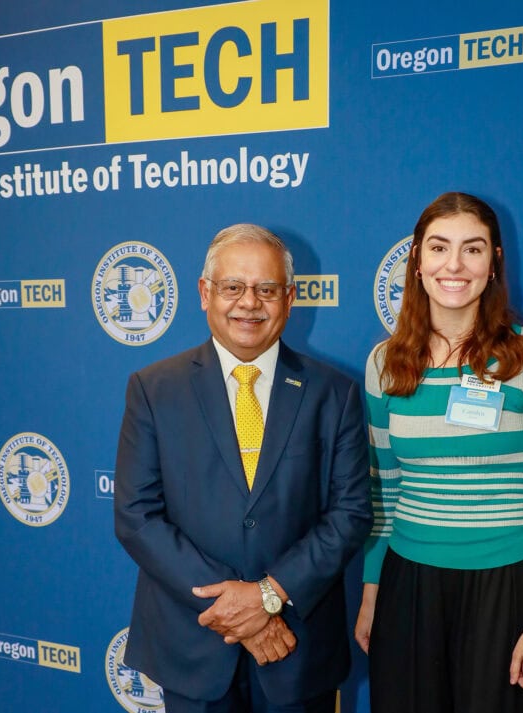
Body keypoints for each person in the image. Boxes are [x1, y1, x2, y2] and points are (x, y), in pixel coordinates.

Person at [114, 223, 372, 713]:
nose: (249, 303)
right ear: (204, 293)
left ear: (290, 298)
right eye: (232, 287)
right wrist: (236, 611)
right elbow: (136, 516)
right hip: (193, 646)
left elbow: (350, 514)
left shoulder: (334, 394)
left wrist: (269, 596)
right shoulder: (153, 389)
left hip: (297, 649)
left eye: (266, 289)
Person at [354, 192, 523, 712]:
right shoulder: (385, 364)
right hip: (406, 589)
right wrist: (371, 595)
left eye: (472, 249)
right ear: (417, 261)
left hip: (503, 591)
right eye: (439, 247)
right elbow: (381, 495)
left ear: (494, 261)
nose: (454, 265)